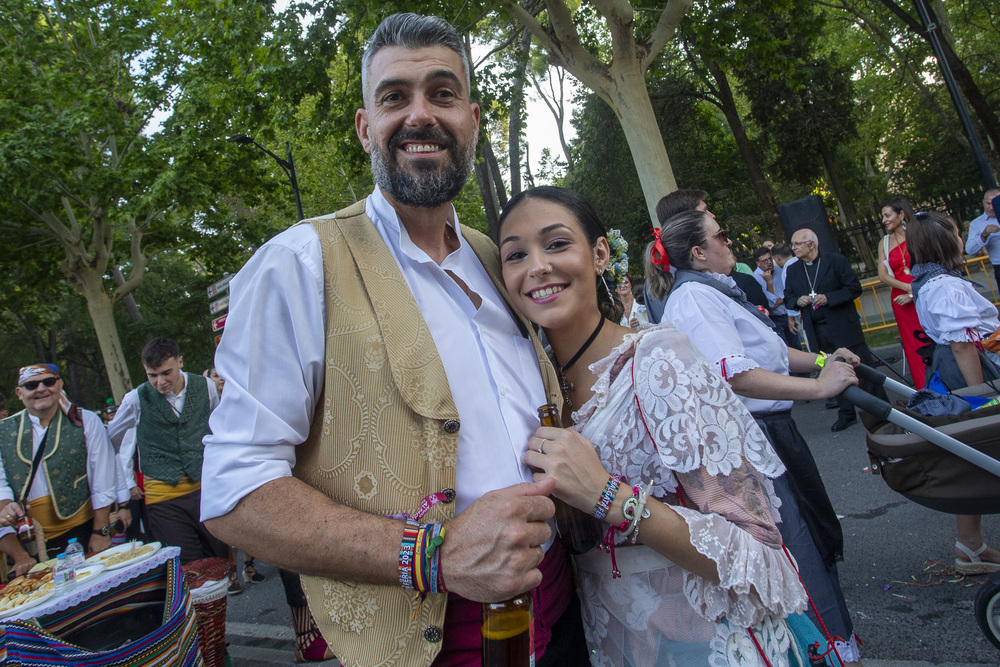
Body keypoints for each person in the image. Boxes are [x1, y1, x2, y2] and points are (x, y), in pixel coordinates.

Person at [200, 13, 587, 667]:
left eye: (441, 93)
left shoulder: (498, 258)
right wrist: (435, 554)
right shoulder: (299, 262)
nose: (419, 115)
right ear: (364, 128)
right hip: (433, 642)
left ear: (471, 117)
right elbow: (233, 491)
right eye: (394, 97)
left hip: (568, 607)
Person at [498, 186, 808, 665]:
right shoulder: (532, 397)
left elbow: (760, 553)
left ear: (600, 253)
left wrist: (608, 496)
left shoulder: (660, 360)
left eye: (557, 243)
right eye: (516, 254)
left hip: (710, 645)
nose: (537, 265)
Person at [650, 209, 864, 664]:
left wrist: (824, 362)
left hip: (774, 431)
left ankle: (833, 641)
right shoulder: (694, 299)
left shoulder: (713, 292)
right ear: (698, 252)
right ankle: (823, 648)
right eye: (720, 235)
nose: (729, 242)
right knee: (796, 543)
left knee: (813, 534)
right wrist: (817, 389)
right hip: (754, 436)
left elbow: (770, 352)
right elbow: (734, 372)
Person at [910, 210, 1000, 574]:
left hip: (958, 367)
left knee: (976, 452)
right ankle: (970, 544)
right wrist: (982, 394)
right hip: (971, 370)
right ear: (947, 241)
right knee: (984, 444)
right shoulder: (945, 286)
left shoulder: (933, 281)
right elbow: (963, 343)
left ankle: (971, 543)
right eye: (956, 232)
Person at [106, 338, 228, 565]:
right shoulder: (136, 398)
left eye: (166, 373)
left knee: (219, 557)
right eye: (152, 375)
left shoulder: (207, 386)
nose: (160, 382)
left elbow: (219, 426)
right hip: (163, 496)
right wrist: (123, 485)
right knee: (189, 564)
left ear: (180, 361)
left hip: (206, 488)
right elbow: (111, 439)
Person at [0, 364, 117, 565]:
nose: (41, 388)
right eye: (31, 385)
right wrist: (5, 509)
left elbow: (103, 480)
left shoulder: (85, 420)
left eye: (49, 382)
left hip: (85, 530)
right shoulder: (4, 431)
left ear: (59, 384)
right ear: (19, 393)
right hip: (32, 541)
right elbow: (1, 485)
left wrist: (101, 531)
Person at [784, 228, 886, 431]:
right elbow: (788, 297)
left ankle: (880, 410)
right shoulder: (794, 270)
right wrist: (798, 300)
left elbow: (853, 287)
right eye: (793, 244)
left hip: (842, 326)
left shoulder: (835, 261)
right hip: (817, 330)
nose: (793, 248)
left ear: (811, 244)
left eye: (797, 244)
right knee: (830, 369)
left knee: (862, 367)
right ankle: (846, 413)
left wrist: (829, 298)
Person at [877, 197, 926, 389]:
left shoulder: (919, 234)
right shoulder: (885, 242)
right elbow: (882, 275)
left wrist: (914, 291)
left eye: (887, 215)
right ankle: (924, 387)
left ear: (902, 214)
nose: (884, 220)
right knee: (914, 345)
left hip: (924, 292)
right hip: (901, 299)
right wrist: (906, 288)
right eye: (883, 216)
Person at [753, 245, 795, 348]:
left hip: (788, 313)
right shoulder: (755, 278)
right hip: (774, 319)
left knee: (797, 345)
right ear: (758, 263)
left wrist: (782, 300)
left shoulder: (780, 270)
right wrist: (769, 282)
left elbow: (790, 293)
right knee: (785, 348)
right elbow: (771, 304)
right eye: (765, 261)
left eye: (769, 259)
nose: (769, 262)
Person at [964, 188, 1000, 287]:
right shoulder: (977, 224)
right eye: (988, 204)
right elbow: (970, 250)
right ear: (983, 202)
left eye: (995, 203)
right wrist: (984, 235)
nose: (992, 207)